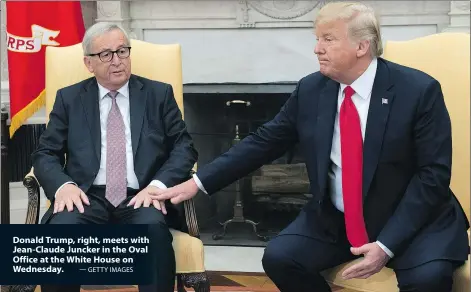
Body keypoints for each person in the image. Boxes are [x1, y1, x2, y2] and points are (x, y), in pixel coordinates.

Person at [152, 2, 470, 292]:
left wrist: (386, 244)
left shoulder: (419, 91)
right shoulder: (312, 89)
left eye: (328, 39)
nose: (317, 49)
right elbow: (264, 142)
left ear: (362, 46)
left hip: (414, 222)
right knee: (280, 257)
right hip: (338, 221)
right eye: (317, 38)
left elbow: (432, 176)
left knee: (428, 281)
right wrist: (197, 183)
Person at [32, 22, 198, 292]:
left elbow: (184, 147)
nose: (117, 61)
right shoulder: (70, 99)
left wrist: (158, 185)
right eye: (106, 55)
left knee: (153, 233)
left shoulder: (158, 94)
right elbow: (45, 153)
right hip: (86, 195)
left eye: (122, 51)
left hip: (141, 194)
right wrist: (63, 186)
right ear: (89, 63)